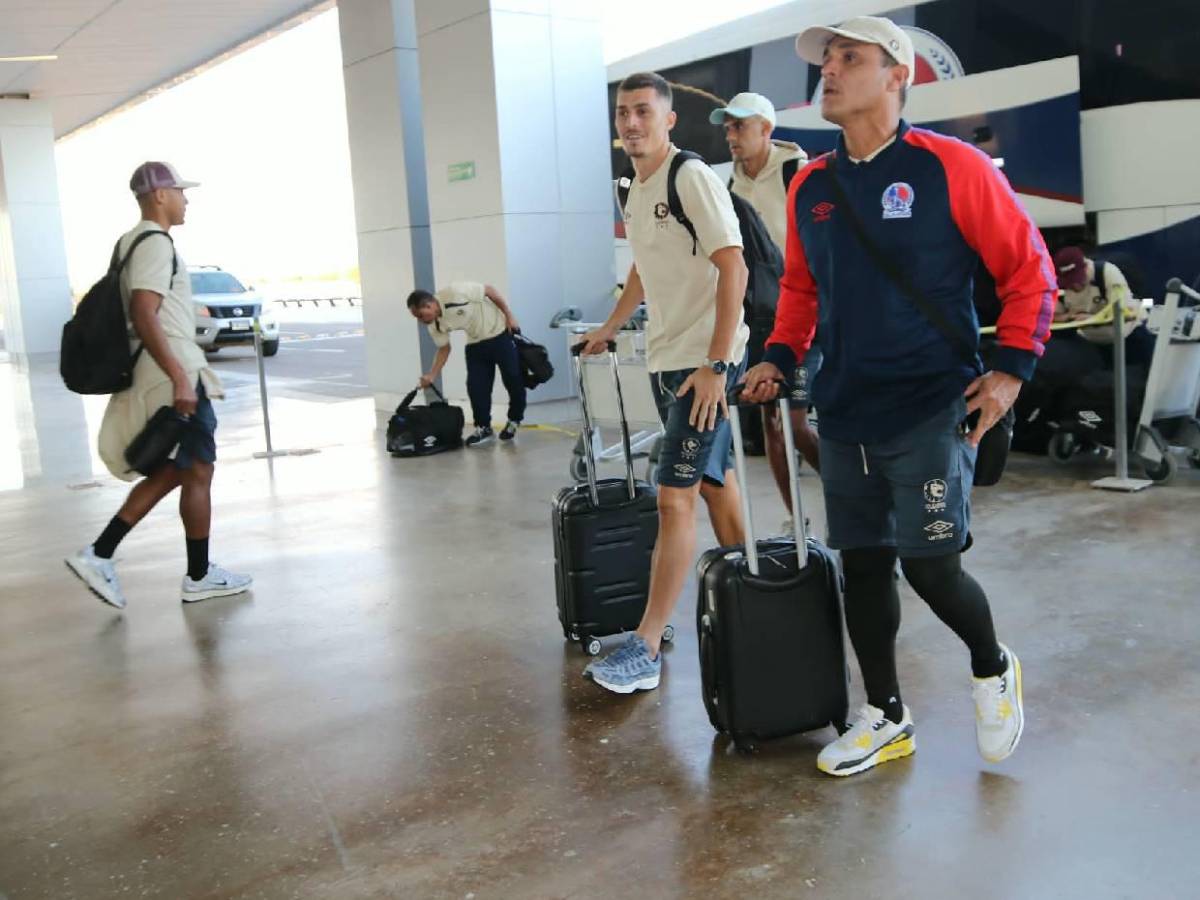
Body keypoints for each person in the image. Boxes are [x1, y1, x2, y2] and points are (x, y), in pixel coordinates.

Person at [743, 16, 1056, 775]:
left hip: (931, 405)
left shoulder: (953, 167)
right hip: (845, 409)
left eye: (850, 58)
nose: (829, 71)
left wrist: (1011, 370)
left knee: (930, 565)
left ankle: (992, 667)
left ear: (897, 76)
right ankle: (886, 715)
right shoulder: (811, 185)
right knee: (864, 565)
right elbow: (800, 289)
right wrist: (779, 356)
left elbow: (1029, 270)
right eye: (827, 60)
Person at [578, 71, 749, 694]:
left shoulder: (689, 176)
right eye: (623, 112)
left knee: (673, 498)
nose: (631, 122)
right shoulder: (634, 187)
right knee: (715, 486)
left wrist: (716, 365)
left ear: (668, 119)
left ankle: (646, 645)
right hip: (669, 360)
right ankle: (755, 599)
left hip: (703, 366)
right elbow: (643, 272)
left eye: (643, 111)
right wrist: (609, 327)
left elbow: (734, 268)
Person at [66, 162, 253, 609]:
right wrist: (180, 377)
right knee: (196, 470)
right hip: (174, 372)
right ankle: (185, 573)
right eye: (180, 192)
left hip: (161, 372)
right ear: (160, 196)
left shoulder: (129, 242)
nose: (186, 200)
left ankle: (110, 555)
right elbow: (144, 311)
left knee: (184, 469)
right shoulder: (154, 242)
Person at [710, 91, 819, 530]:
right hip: (761, 319)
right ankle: (798, 520)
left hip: (807, 315)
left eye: (739, 126)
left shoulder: (798, 172)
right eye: (728, 128)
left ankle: (853, 501)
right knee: (773, 422)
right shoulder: (730, 186)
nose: (731, 135)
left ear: (766, 129)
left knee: (794, 421)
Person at [406, 282, 524, 445]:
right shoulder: (434, 324)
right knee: (476, 387)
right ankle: (483, 428)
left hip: (500, 334)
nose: (420, 320)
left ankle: (514, 420)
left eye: (421, 315)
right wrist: (432, 375)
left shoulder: (455, 292)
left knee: (513, 379)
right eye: (417, 318)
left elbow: (489, 290)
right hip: (475, 344)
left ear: (430, 305)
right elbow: (444, 348)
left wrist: (509, 316)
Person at [1053, 246, 1154, 367]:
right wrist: (1069, 317)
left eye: (1078, 279)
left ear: (1086, 267)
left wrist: (1091, 319)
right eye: (1069, 282)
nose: (1075, 285)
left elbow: (1126, 311)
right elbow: (1051, 316)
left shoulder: (1106, 272)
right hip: (1092, 342)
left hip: (1127, 335)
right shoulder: (1059, 286)